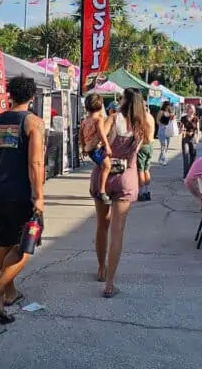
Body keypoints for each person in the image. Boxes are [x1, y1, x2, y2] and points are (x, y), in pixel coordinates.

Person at [0, 76, 46, 323]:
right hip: (22, 194)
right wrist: (38, 196)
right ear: (32, 97)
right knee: (24, 246)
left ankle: (9, 292)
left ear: (11, 95)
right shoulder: (33, 122)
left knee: (6, 243)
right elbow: (36, 163)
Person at [90, 87, 146, 298]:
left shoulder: (113, 119)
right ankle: (110, 283)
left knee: (101, 224)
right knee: (118, 231)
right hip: (126, 177)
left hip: (103, 175)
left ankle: (101, 268)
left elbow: (96, 141)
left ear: (124, 100)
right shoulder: (144, 124)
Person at [81, 94, 114, 205]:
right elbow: (101, 134)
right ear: (100, 106)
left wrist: (83, 147)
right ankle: (101, 191)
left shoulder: (85, 120)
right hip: (97, 148)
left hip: (90, 149)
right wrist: (107, 146)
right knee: (107, 166)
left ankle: (96, 189)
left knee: (101, 167)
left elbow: (80, 134)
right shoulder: (98, 119)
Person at [137, 101, 156, 202]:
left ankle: (141, 192)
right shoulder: (150, 116)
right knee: (146, 169)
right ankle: (146, 191)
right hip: (150, 145)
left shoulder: (141, 117)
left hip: (143, 145)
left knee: (140, 170)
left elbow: (140, 133)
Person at [179, 105, 198, 176]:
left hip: (193, 138)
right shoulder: (183, 118)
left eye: (193, 109)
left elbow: (197, 129)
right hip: (185, 138)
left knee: (193, 156)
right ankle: (186, 174)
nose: (191, 111)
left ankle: (191, 173)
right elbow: (180, 129)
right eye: (190, 109)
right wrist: (183, 131)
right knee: (186, 156)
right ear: (187, 110)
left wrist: (197, 137)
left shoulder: (196, 118)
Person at [157, 101, 175, 166]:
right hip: (162, 130)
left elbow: (172, 121)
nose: (169, 107)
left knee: (166, 146)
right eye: (168, 105)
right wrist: (163, 125)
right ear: (165, 105)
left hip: (168, 131)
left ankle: (160, 158)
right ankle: (163, 159)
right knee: (164, 145)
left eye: (169, 105)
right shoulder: (161, 112)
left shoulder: (170, 113)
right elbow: (157, 120)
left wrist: (172, 117)